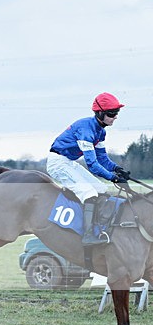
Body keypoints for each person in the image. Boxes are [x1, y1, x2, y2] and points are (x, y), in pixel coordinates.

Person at [48, 92, 130, 246]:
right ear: (100, 113)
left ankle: (99, 226)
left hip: (69, 162)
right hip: (57, 163)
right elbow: (92, 165)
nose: (115, 117)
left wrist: (117, 169)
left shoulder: (101, 131)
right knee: (89, 193)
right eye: (112, 113)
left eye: (116, 113)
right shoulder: (86, 130)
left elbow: (102, 159)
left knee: (101, 188)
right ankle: (87, 235)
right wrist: (113, 177)